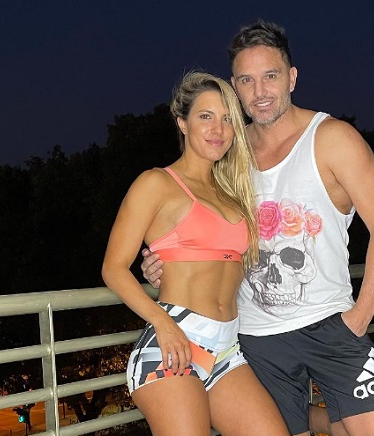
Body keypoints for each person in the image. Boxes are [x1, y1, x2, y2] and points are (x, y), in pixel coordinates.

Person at [143, 21, 374, 436]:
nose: (260, 91)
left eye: (271, 76)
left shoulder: (333, 138)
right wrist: (165, 262)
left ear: (292, 77)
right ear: (235, 86)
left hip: (332, 323)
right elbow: (199, 227)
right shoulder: (227, 154)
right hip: (256, 338)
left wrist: (362, 313)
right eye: (247, 80)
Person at [102, 71, 289, 436]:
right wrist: (162, 323)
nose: (218, 129)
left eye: (227, 119)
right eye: (206, 116)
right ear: (182, 123)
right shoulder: (156, 183)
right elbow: (113, 268)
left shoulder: (232, 192)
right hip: (173, 341)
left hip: (226, 350)